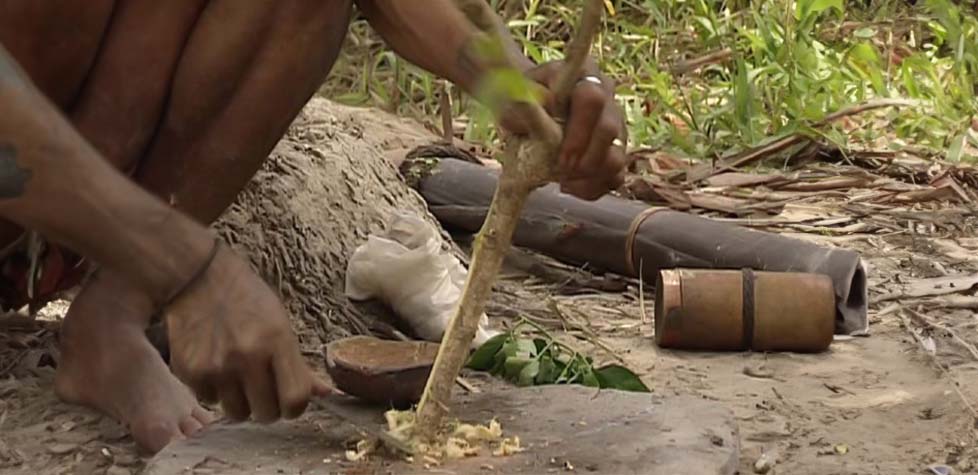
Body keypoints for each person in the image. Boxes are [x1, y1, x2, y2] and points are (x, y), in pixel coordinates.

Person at [0, 0, 628, 453]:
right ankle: (144, 263)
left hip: (53, 206)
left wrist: (518, 85)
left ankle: (112, 313)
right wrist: (187, 266)